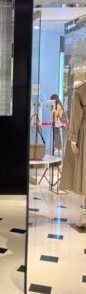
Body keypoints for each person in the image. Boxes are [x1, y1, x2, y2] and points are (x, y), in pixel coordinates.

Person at [61, 83, 86, 227]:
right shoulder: (81, 90)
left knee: (83, 175)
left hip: (84, 133)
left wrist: (74, 137)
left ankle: (84, 215)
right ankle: (83, 214)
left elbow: (76, 115)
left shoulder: (81, 89)